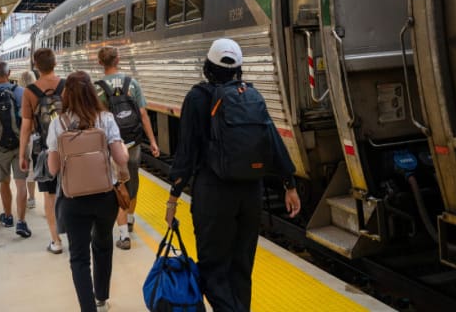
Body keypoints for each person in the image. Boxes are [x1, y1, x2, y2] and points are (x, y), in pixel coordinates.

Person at [164, 38, 301, 312]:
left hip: (213, 195)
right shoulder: (249, 95)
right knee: (241, 267)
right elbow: (271, 140)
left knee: (214, 270)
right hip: (250, 194)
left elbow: (187, 154)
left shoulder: (197, 97)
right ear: (238, 68)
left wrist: (173, 198)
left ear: (207, 66)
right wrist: (290, 185)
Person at [47, 71, 128, 312]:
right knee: (102, 245)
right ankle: (101, 297)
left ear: (67, 95)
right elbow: (121, 158)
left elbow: (52, 169)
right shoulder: (106, 119)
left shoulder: (57, 124)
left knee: (79, 258)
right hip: (105, 198)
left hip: (73, 200)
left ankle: (88, 308)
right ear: (92, 92)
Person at [94, 46, 160, 250]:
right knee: (132, 181)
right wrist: (153, 141)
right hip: (133, 143)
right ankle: (130, 219)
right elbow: (142, 115)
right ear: (118, 60)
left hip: (111, 144)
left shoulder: (96, 88)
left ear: (100, 63)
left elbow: (97, 120)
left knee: (117, 185)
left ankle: (123, 236)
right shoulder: (132, 84)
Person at [18, 48, 64, 253]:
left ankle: (56, 241)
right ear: (55, 63)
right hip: (69, 147)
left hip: (44, 150)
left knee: (50, 196)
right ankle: (74, 234)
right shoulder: (67, 86)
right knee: (71, 192)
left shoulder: (30, 91)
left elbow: (26, 127)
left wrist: (22, 154)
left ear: (36, 66)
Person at [0, 61, 30, 238]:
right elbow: (27, 119)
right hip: (20, 144)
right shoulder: (21, 92)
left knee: (4, 182)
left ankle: (8, 216)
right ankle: (22, 222)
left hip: (0, 146)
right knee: (21, 183)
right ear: (9, 73)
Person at [19, 69, 37, 211]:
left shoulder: (19, 94)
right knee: (33, 168)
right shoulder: (38, 94)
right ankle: (32, 197)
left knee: (25, 168)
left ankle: (28, 198)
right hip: (37, 136)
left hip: (23, 136)